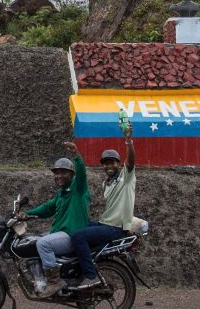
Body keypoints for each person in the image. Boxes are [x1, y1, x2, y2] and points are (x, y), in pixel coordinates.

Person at [67, 125, 136, 290]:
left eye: (112, 162)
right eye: (105, 163)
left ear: (119, 164)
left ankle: (90, 276)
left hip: (115, 228)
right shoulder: (106, 183)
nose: (108, 166)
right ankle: (76, 268)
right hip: (105, 223)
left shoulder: (126, 178)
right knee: (77, 225)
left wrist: (128, 140)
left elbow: (131, 160)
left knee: (78, 237)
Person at [22, 141, 89, 297]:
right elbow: (47, 208)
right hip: (60, 232)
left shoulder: (77, 189)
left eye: (63, 172)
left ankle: (54, 281)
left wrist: (76, 155)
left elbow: (82, 174)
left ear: (72, 175)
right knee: (31, 240)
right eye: (56, 172)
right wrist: (27, 214)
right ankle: (39, 277)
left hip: (72, 234)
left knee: (43, 243)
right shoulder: (61, 193)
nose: (59, 175)